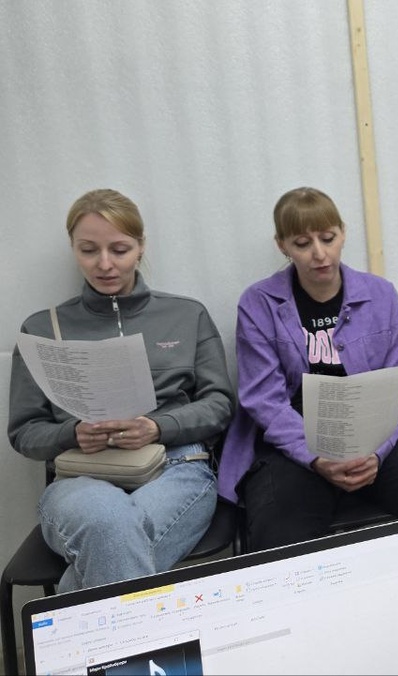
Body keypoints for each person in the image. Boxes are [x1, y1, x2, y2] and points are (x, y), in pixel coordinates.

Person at [218, 187, 398, 551]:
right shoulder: (259, 303)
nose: (319, 254)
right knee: (281, 539)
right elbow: (264, 398)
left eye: (328, 238)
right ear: (282, 245)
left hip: (375, 428)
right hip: (295, 434)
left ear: (343, 233)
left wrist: (376, 453)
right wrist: (316, 458)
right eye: (302, 243)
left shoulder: (381, 294)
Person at [8, 188, 234, 592]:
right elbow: (24, 432)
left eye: (120, 249)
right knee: (107, 520)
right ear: (73, 249)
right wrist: (71, 433)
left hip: (177, 466)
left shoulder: (187, 315)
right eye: (89, 250)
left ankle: (69, 625)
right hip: (79, 475)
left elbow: (219, 404)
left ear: (141, 246)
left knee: (107, 539)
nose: (105, 264)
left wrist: (158, 427)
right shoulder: (41, 328)